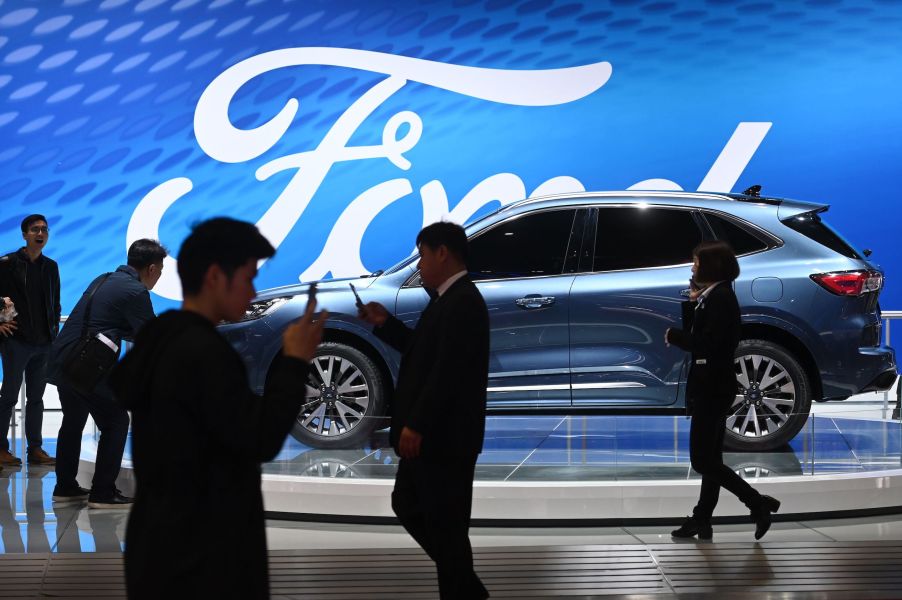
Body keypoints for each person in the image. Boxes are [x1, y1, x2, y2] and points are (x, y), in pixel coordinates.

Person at [109, 218, 326, 599]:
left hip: (159, 545)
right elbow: (259, 438)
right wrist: (293, 362)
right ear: (214, 276)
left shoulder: (162, 342)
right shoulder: (203, 353)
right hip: (206, 557)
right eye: (247, 277)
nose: (253, 290)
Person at [357, 221, 490, 599]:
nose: (420, 265)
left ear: (442, 252)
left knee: (443, 524)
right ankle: (465, 585)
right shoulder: (450, 299)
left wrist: (417, 424)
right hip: (439, 437)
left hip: (442, 439)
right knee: (417, 508)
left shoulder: (462, 301)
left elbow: (448, 372)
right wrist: (385, 325)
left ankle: (464, 588)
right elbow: (427, 353)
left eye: (423, 255)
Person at [665, 241, 781, 541]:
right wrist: (692, 305)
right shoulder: (714, 297)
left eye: (696, 262)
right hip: (713, 385)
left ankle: (757, 503)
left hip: (712, 386)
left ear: (711, 266)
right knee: (711, 460)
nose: (692, 267)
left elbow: (708, 345)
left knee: (702, 462)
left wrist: (675, 337)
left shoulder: (721, 300)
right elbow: (703, 337)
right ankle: (702, 519)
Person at [48, 239, 168, 508]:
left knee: (73, 420)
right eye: (160, 270)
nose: (159, 276)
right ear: (150, 268)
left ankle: (65, 487)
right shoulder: (136, 291)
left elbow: (110, 322)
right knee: (115, 422)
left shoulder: (103, 279)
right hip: (86, 366)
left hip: (62, 359)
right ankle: (102, 491)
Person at [0, 214, 61, 466]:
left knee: (37, 398)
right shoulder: (7, 263)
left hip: (43, 342)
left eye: (45, 229)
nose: (41, 233)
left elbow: (55, 302)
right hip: (16, 340)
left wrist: (54, 329)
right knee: (9, 397)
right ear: (24, 234)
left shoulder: (51, 266)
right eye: (35, 229)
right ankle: (0, 448)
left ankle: (35, 449)